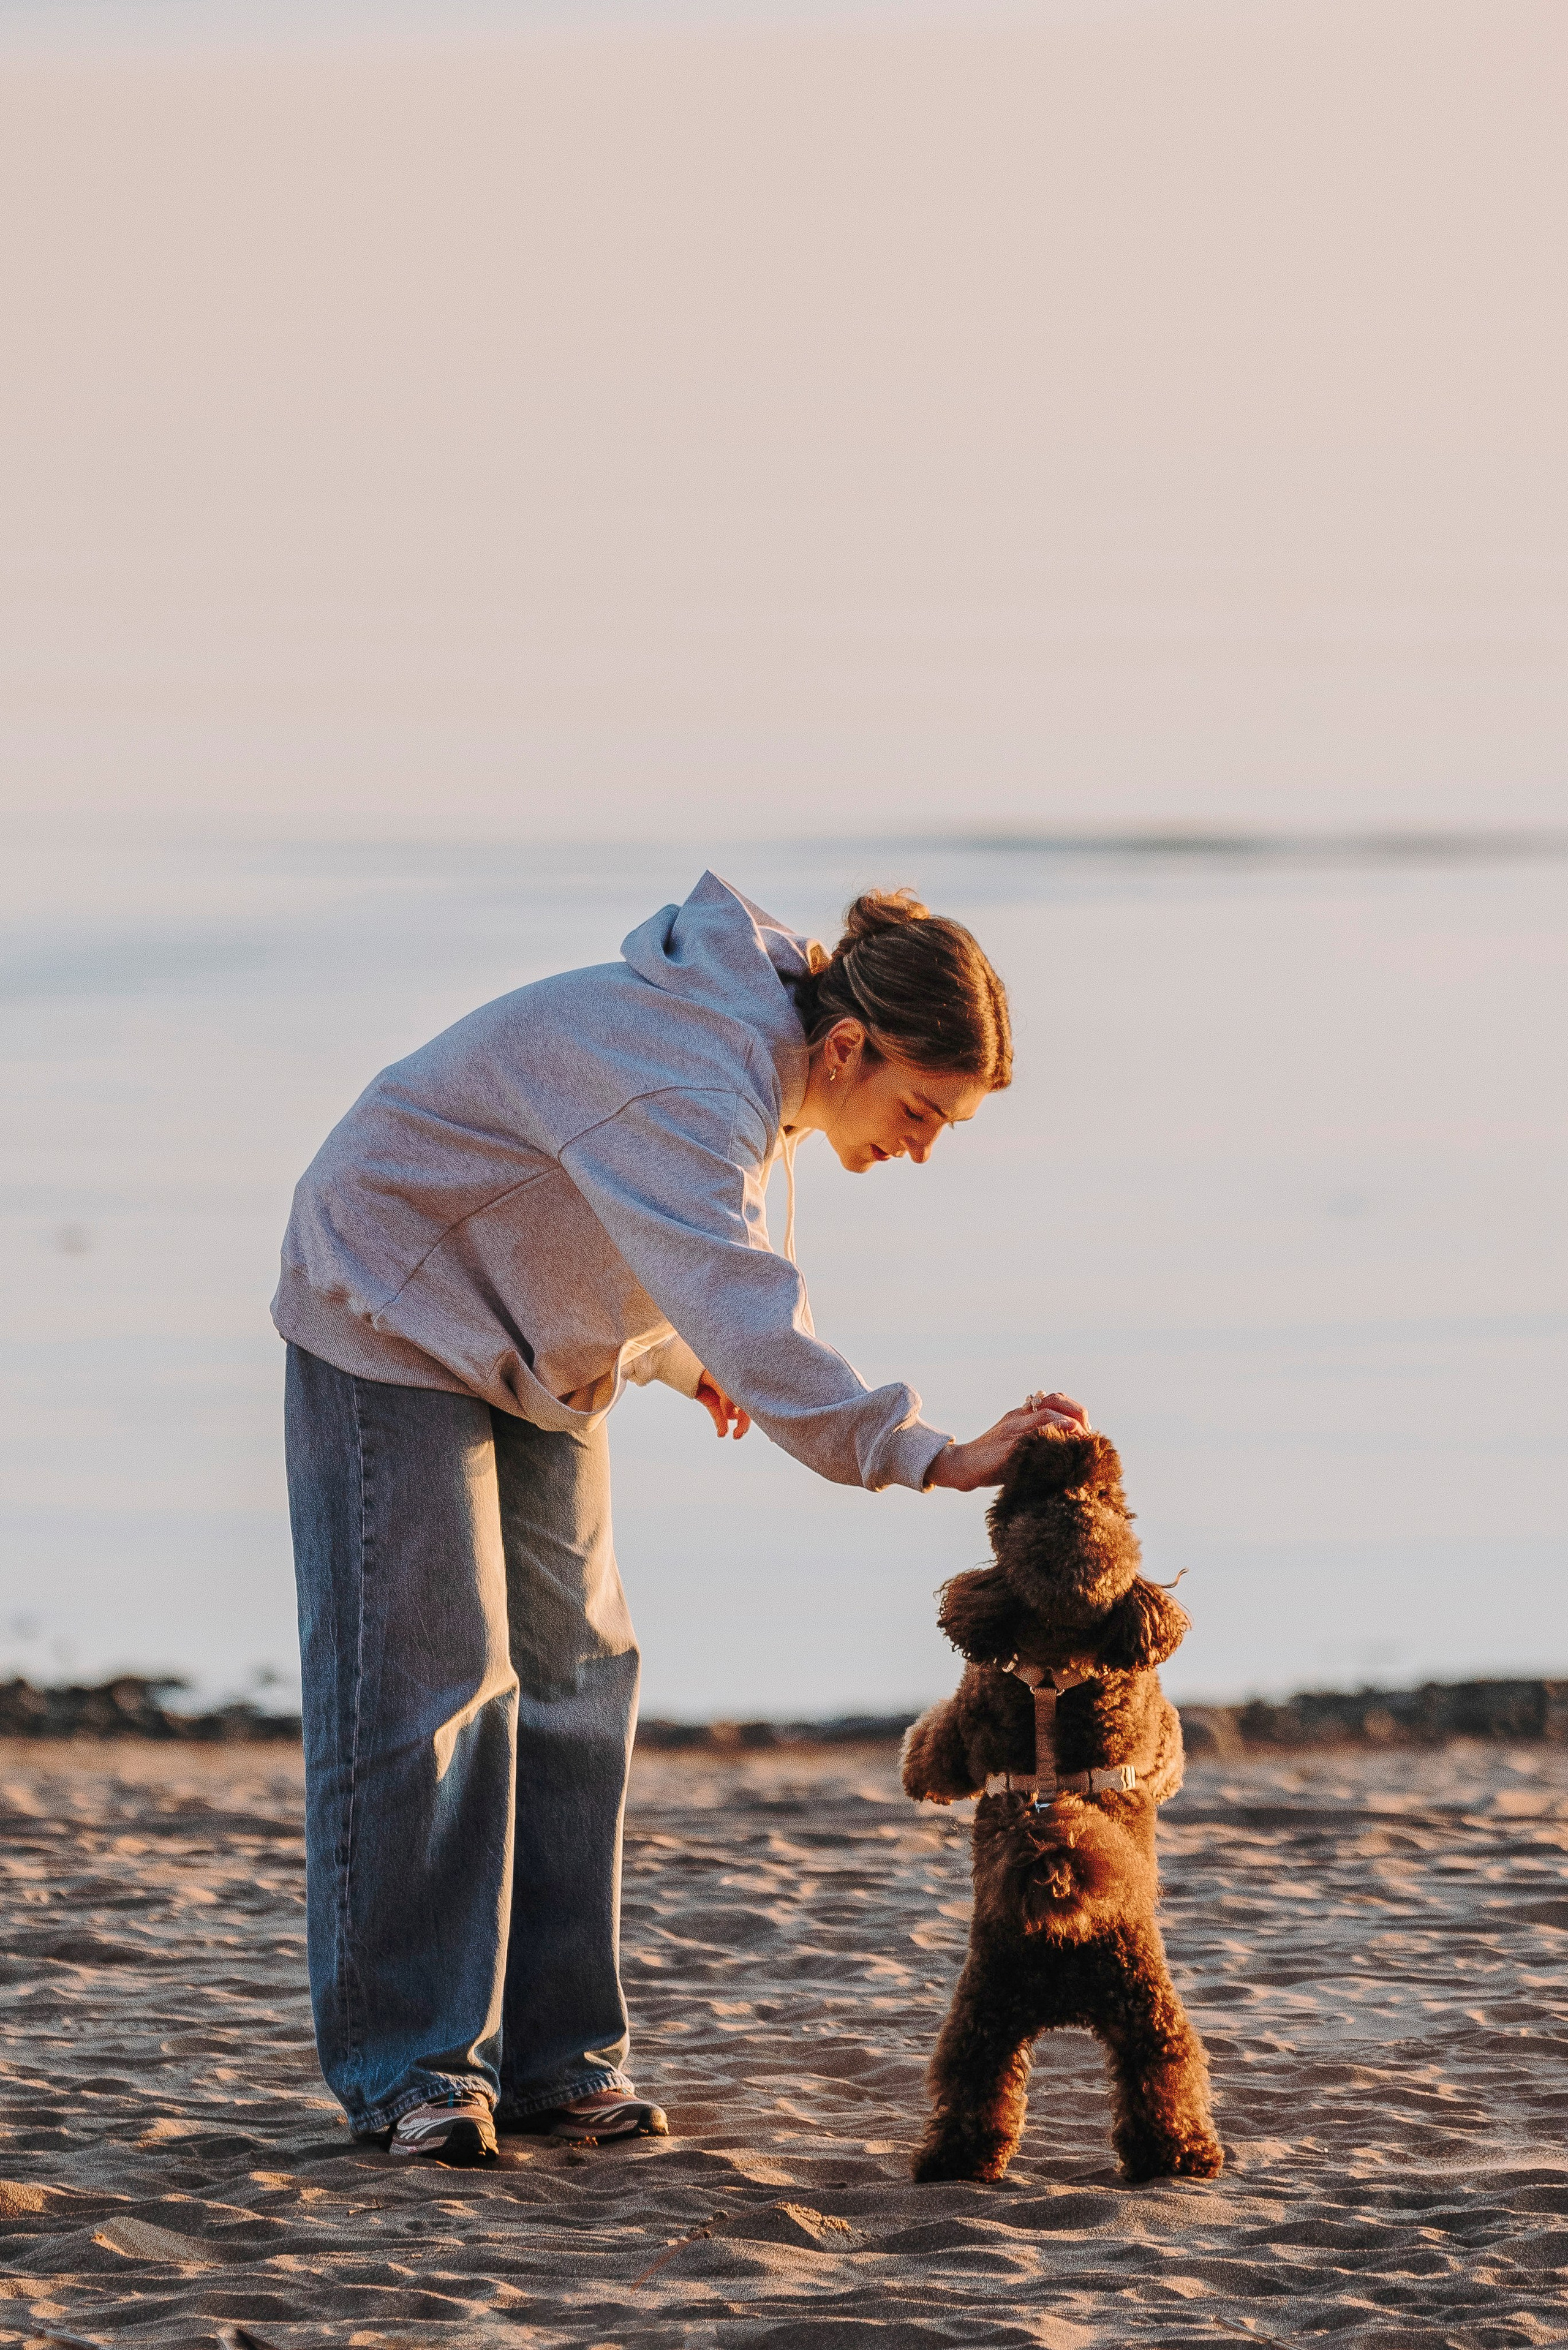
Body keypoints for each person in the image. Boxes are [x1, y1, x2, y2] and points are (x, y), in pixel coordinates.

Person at [273, 872, 1089, 2166]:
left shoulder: (748, 1075)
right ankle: (412, 2067)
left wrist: (662, 1349)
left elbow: (637, 1237)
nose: (924, 1143)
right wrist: (927, 1452)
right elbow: (735, 1284)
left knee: (582, 1676)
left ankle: (556, 2061)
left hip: (531, 1341)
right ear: (844, 1048)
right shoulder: (690, 1080)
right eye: (920, 1108)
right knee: (432, 1682)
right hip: (391, 1298)